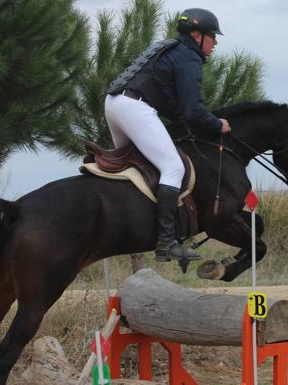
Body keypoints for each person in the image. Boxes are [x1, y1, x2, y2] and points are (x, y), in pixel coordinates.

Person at [104, 8, 231, 262]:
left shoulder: (168, 47)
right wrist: (217, 125)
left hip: (113, 104)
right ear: (197, 35)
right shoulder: (189, 57)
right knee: (173, 167)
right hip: (135, 107)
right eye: (212, 36)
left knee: (139, 168)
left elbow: (175, 108)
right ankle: (166, 242)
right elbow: (192, 110)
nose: (215, 42)